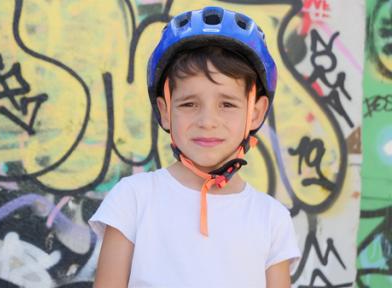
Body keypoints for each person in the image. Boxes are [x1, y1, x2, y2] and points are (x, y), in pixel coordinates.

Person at [89, 6, 300, 288]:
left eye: (227, 104)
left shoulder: (272, 219)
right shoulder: (133, 200)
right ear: (165, 111)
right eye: (189, 104)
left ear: (256, 112)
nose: (207, 121)